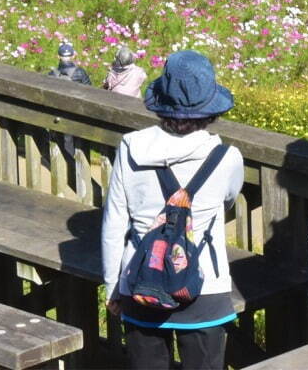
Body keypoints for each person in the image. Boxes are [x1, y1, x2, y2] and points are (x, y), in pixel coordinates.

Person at [101, 51, 243, 370]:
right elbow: (228, 200)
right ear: (210, 109)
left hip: (140, 282)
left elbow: (113, 225)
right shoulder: (226, 156)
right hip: (204, 284)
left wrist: (113, 287)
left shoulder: (131, 147)